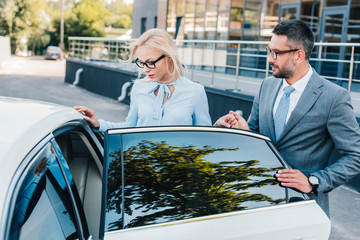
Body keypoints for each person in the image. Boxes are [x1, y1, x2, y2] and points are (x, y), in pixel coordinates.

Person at [215, 19, 360, 216]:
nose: (269, 59)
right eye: (269, 50)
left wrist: (313, 181)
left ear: (299, 55)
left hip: (303, 206)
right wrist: (244, 130)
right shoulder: (266, 86)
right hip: (258, 200)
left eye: (276, 53)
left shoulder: (333, 97)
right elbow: (257, 134)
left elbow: (355, 156)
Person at [75, 28, 211, 131]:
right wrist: (99, 124)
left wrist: (219, 126)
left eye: (150, 62)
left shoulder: (195, 92)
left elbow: (205, 137)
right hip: (141, 166)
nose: (145, 69)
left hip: (179, 167)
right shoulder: (139, 88)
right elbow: (130, 127)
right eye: (141, 62)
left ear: (169, 57)